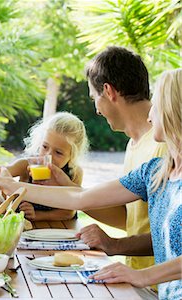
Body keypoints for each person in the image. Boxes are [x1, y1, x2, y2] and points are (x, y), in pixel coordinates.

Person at [0, 69, 182, 299]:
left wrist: (143, 276)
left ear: (171, 111)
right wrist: (14, 186)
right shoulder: (154, 171)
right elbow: (79, 198)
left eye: (154, 107)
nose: (149, 116)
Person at [81, 46, 166, 274]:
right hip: (139, 281)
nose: (96, 109)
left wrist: (114, 245)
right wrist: (73, 194)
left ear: (108, 91)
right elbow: (129, 219)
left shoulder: (165, 144)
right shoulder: (134, 143)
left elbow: (172, 230)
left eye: (93, 98)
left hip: (161, 286)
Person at [7, 112, 89, 221]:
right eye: (45, 146)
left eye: (58, 152)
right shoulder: (26, 166)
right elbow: (0, 174)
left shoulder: (74, 172)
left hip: (60, 229)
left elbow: (68, 212)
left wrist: (37, 215)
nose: (48, 155)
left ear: (72, 155)